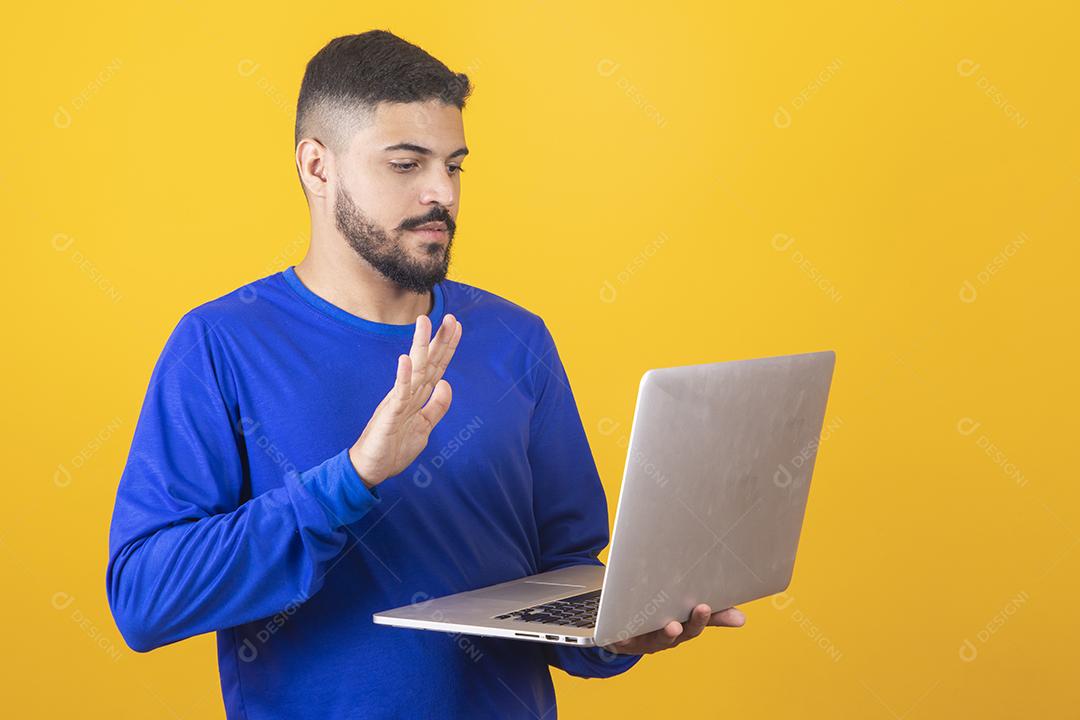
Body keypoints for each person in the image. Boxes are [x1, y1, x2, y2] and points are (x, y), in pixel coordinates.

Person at [106, 29, 745, 719]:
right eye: (407, 164)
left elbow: (566, 572)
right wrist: (351, 479)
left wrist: (619, 629)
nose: (442, 192)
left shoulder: (516, 339)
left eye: (454, 166)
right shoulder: (220, 344)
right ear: (318, 168)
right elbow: (145, 599)